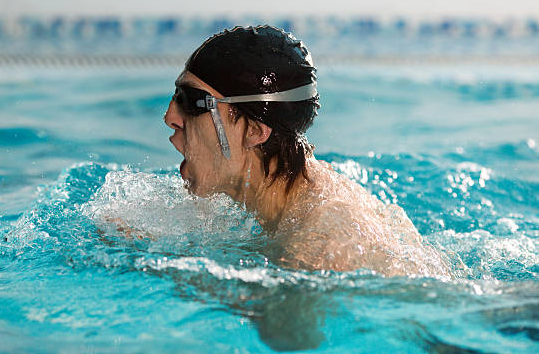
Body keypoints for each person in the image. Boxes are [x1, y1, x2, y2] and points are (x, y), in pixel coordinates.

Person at [164, 25, 451, 278]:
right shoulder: (301, 200)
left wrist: (168, 272)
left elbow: (294, 339)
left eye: (191, 101)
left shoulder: (313, 249)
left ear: (253, 130)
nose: (170, 117)